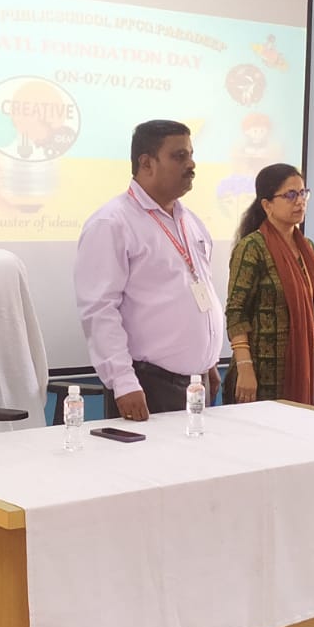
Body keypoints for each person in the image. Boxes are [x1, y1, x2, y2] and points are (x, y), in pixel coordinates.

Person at [74, 120, 223, 421]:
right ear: (146, 163)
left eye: (191, 155)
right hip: (148, 384)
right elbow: (100, 310)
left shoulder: (190, 220)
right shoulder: (112, 223)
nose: (191, 165)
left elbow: (197, 289)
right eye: (179, 156)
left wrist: (208, 361)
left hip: (197, 383)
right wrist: (123, 382)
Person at [225, 163, 314, 407]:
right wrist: (245, 367)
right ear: (267, 205)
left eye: (303, 193)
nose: (300, 201)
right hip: (261, 375)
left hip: (304, 368)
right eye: (290, 195)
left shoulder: (308, 248)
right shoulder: (252, 247)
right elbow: (236, 312)